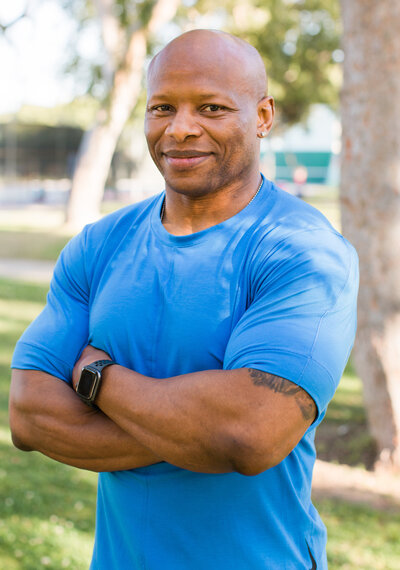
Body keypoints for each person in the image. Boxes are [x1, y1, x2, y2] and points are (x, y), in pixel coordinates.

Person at [9, 29, 358, 569]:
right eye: (162, 107)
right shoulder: (100, 244)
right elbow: (30, 416)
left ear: (263, 116)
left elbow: (249, 433)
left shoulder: (303, 252)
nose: (181, 128)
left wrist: (96, 378)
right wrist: (198, 431)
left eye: (212, 107)